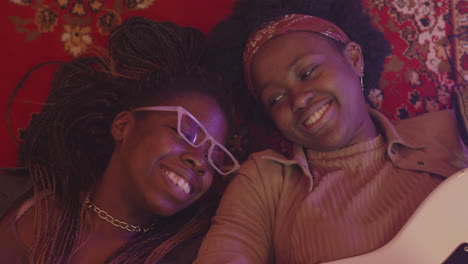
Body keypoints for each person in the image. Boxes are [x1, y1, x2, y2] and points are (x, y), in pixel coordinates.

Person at [194, 0, 468, 263]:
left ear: (354, 58)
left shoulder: (453, 128)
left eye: (308, 72)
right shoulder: (264, 183)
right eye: (275, 99)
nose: (298, 99)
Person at [0, 16, 239, 263]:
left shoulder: (194, 255)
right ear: (123, 126)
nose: (200, 162)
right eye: (184, 133)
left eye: (214, 159)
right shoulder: (17, 197)